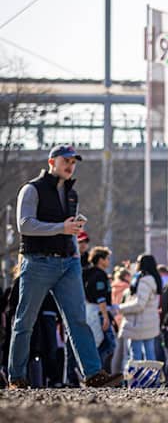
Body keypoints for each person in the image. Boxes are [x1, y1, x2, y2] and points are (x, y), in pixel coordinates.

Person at [6, 145, 121, 389]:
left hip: (69, 264)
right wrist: (61, 227)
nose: (70, 165)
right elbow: (24, 225)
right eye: (65, 160)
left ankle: (93, 374)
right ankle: (16, 377)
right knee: (25, 321)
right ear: (51, 162)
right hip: (37, 261)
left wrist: (75, 251)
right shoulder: (31, 189)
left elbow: (70, 230)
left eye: (73, 162)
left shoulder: (72, 194)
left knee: (78, 321)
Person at [119, 254, 163, 362]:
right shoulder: (153, 279)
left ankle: (135, 379)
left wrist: (120, 308)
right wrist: (129, 268)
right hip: (149, 323)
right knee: (150, 355)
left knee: (135, 356)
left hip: (138, 324)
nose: (136, 264)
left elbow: (139, 304)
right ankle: (152, 378)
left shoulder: (143, 281)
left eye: (138, 262)